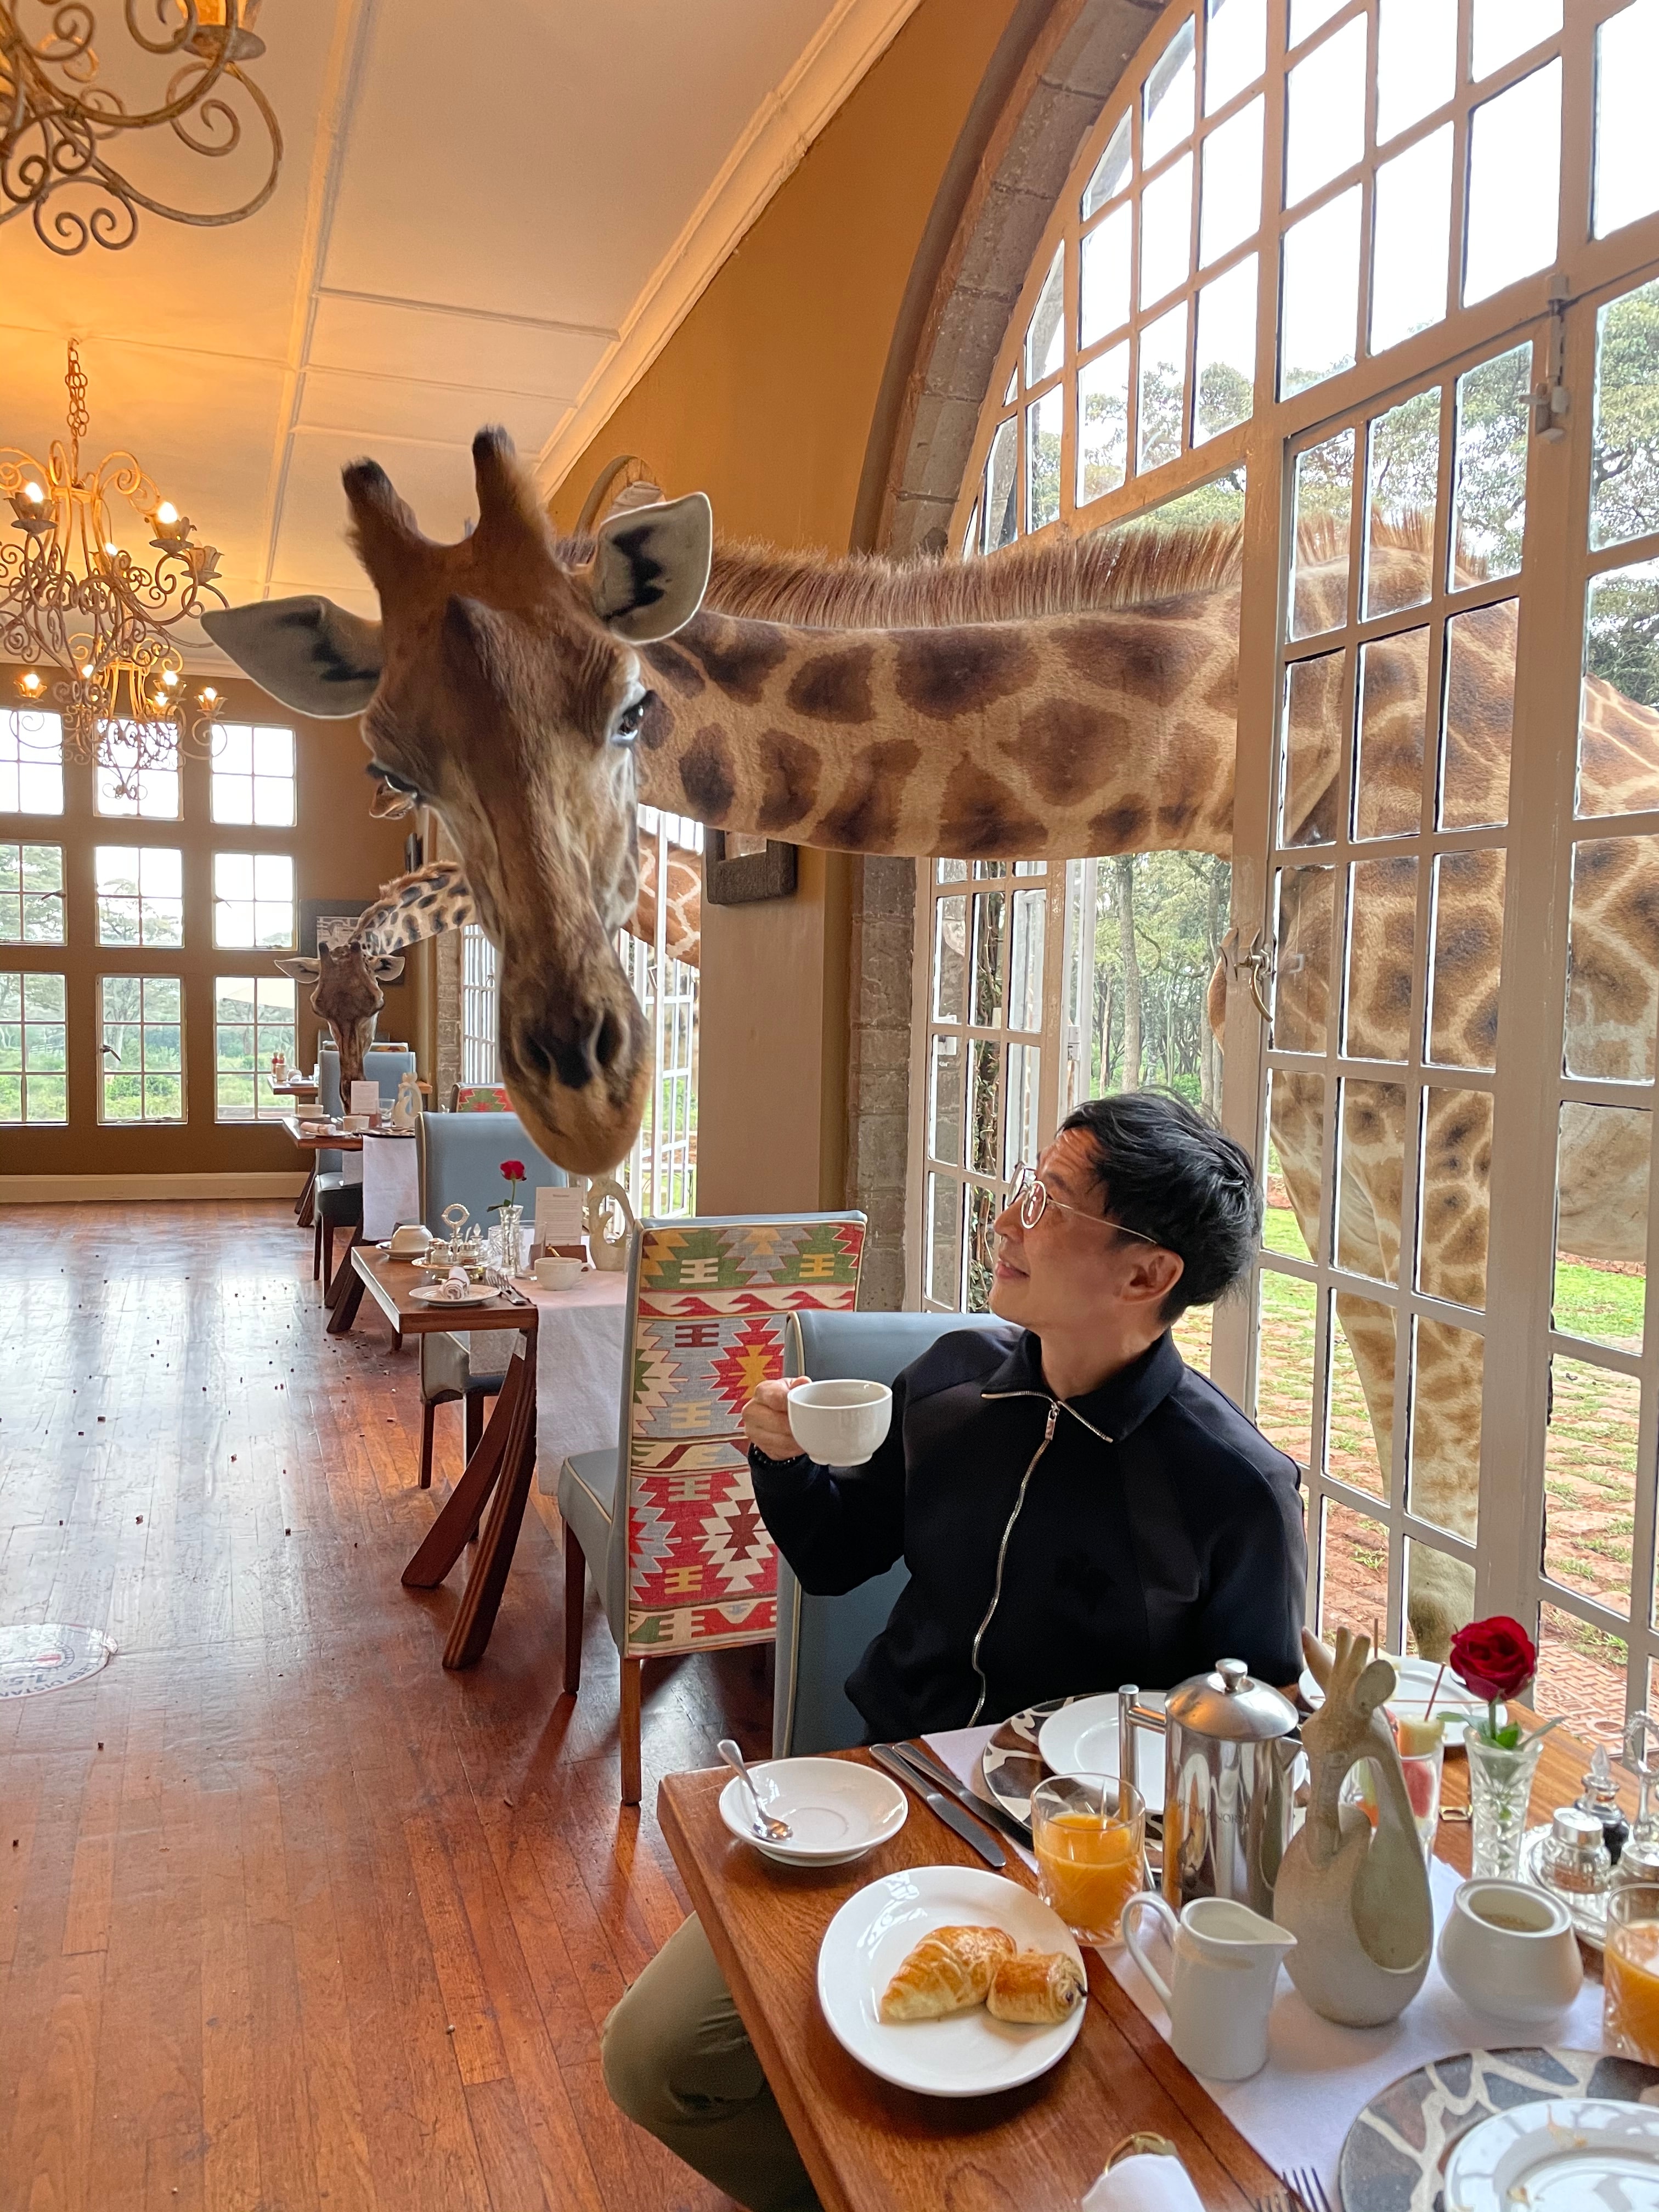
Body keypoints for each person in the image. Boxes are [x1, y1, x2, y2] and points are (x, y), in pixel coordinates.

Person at [602, 1093, 1306, 2212]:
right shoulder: (952, 1379)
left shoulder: (1235, 1491)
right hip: (895, 1792)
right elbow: (837, 1556)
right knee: (656, 2057)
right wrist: (781, 1458)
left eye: (1050, 1204)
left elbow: (1253, 1741)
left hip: (1078, 1863)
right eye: (1022, 1188)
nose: (1005, 1220)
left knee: (1072, 2134)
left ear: (1148, 1274)